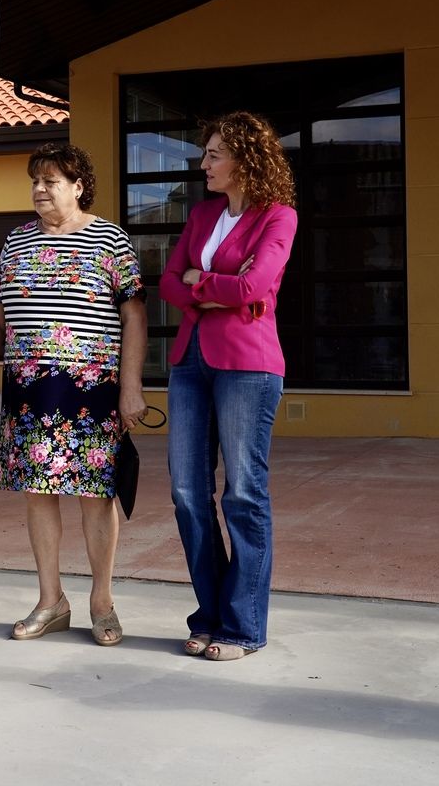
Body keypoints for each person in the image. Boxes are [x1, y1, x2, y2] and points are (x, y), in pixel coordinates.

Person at [0, 143, 146, 647]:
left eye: (51, 181)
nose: (40, 190)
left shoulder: (110, 239)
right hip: (29, 390)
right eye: (35, 181)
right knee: (38, 493)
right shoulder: (15, 242)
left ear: (78, 186)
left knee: (96, 495)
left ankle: (102, 602)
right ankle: (52, 601)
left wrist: (131, 388)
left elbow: (135, 316)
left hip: (92, 390)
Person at [159, 111, 297, 661]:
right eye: (206, 153)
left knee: (243, 493)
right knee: (187, 494)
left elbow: (259, 283)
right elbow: (169, 281)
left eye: (215, 154)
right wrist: (219, 291)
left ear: (245, 160)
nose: (205, 162)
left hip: (248, 364)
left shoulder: (278, 217)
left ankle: (243, 626)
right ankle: (209, 615)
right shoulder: (201, 215)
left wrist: (209, 283)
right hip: (190, 361)